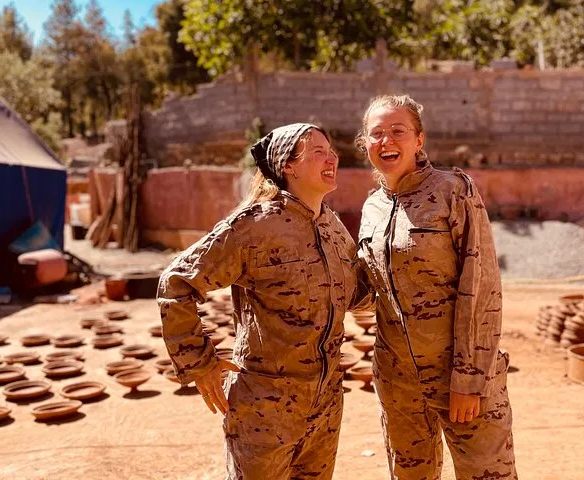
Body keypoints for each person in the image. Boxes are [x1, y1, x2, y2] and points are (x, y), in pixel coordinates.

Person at [157, 123, 372, 480]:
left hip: (325, 406)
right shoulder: (254, 226)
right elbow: (176, 282)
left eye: (331, 151)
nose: (331, 157)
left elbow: (355, 294)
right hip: (265, 412)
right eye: (317, 151)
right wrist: (199, 363)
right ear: (289, 166)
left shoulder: (331, 226)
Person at [355, 95, 517, 480]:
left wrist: (469, 379)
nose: (386, 141)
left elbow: (480, 287)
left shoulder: (452, 191)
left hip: (460, 379)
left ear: (419, 139)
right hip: (400, 385)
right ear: (365, 144)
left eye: (398, 131)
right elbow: (364, 291)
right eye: (376, 133)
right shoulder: (373, 207)